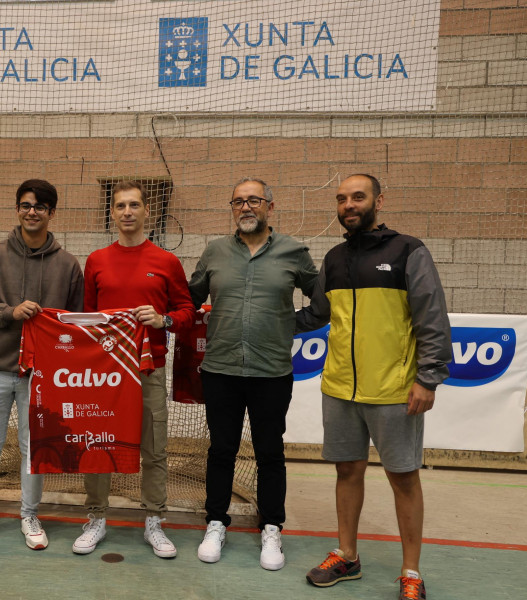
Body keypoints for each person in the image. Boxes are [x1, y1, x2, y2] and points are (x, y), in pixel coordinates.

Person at [297, 174, 451, 599]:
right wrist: (256, 319)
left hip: (394, 391)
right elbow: (315, 315)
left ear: (379, 201)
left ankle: (412, 573)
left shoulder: (408, 251)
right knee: (347, 470)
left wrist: (428, 378)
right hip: (340, 388)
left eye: (358, 197)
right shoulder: (333, 258)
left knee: (403, 477)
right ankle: (347, 554)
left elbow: (431, 317)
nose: (349, 205)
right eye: (342, 198)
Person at [188, 177, 318, 568]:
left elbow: (324, 300)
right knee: (221, 450)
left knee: (270, 453)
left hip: (271, 372)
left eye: (254, 200)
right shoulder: (215, 252)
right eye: (238, 201)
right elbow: (188, 298)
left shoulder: (294, 252)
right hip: (221, 369)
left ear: (270, 208)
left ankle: (272, 528)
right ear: (232, 208)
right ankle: (215, 522)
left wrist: (288, 324)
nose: (246, 207)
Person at [72, 180, 195, 558]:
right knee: (98, 446)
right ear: (112, 213)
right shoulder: (96, 260)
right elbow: (86, 318)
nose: (127, 212)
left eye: (134, 206)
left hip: (148, 371)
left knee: (154, 450)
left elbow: (187, 313)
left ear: (147, 212)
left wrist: (163, 321)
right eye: (120, 206)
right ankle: (95, 517)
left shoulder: (166, 261)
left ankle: (154, 520)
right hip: (105, 374)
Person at [0, 179, 84, 550]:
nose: (33, 212)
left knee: (35, 447)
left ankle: (29, 515)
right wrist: (10, 312)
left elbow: (76, 321)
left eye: (41, 206)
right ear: (17, 209)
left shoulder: (67, 264)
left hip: (43, 375)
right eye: (26, 205)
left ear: (52, 213)